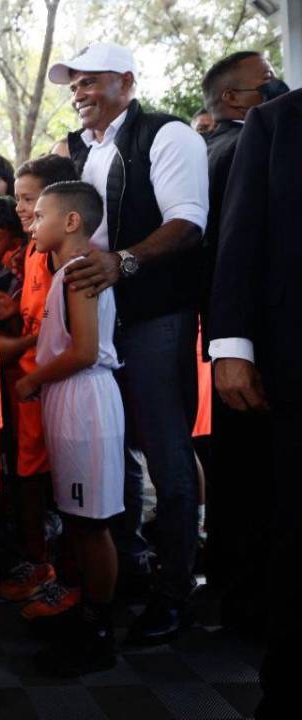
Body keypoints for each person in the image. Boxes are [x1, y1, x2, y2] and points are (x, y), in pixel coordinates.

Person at [49, 41, 209, 644]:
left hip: (157, 319)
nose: (80, 93)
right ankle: (132, 571)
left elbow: (188, 221)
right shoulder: (85, 152)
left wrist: (124, 263)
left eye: (90, 81)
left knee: (166, 457)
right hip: (109, 327)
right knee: (114, 458)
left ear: (126, 81)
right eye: (74, 85)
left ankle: (176, 592)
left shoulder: (168, 136)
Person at [208, 87, 302, 720]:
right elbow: (239, 237)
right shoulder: (280, 121)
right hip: (291, 359)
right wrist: (232, 346)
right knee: (294, 528)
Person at [16, 181, 124, 676]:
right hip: (70, 399)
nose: (32, 223)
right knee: (80, 520)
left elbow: (82, 351)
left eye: (40, 215)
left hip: (84, 401)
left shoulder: (81, 270)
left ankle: (99, 632)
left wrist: (33, 379)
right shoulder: (66, 271)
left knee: (90, 524)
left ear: (73, 221)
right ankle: (87, 616)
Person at [199, 50, 284, 628]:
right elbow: (240, 247)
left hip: (235, 342)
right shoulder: (240, 148)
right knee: (255, 480)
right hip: (257, 342)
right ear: (233, 99)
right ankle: (250, 601)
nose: (278, 84)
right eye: (266, 81)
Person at [0, 155, 80, 622]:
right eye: (23, 198)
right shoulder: (30, 253)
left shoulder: (63, 258)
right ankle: (40, 564)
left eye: (31, 200)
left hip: (48, 387)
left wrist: (21, 344)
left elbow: (63, 335)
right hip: (23, 386)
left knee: (51, 488)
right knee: (25, 481)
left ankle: (61, 576)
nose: (22, 208)